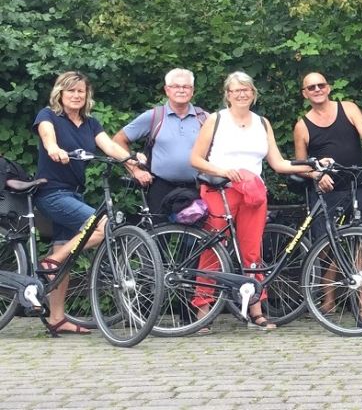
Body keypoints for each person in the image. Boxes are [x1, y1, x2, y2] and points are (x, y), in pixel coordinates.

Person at [189, 71, 315, 331]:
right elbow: (196, 159)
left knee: (253, 252)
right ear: (228, 95)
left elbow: (278, 163)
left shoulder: (262, 123)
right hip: (221, 190)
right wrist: (223, 171)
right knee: (213, 249)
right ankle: (202, 310)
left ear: (253, 93)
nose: (241, 94)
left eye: (246, 89)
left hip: (253, 193)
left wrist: (312, 169)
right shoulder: (216, 120)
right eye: (236, 90)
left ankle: (256, 310)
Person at [32, 71, 141, 335]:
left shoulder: (90, 123)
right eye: (71, 90)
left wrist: (132, 163)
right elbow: (47, 136)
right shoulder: (48, 116)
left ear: (87, 94)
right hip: (52, 193)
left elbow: (109, 147)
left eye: (80, 91)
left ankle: (57, 318)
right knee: (103, 226)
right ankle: (51, 262)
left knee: (67, 252)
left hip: (73, 194)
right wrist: (53, 149)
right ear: (60, 93)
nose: (76, 95)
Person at [292, 72, 362, 234]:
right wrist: (317, 175)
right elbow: (301, 166)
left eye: (321, 85)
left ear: (328, 88)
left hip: (356, 184)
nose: (317, 89)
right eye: (311, 87)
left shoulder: (349, 108)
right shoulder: (302, 126)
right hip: (326, 191)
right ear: (305, 93)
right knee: (325, 241)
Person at [113, 68, 206, 217]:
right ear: (167, 90)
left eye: (186, 86)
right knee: (159, 231)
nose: (181, 90)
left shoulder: (204, 118)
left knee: (195, 232)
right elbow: (118, 140)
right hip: (160, 188)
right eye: (176, 86)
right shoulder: (154, 116)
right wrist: (135, 169)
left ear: (192, 90)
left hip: (196, 188)